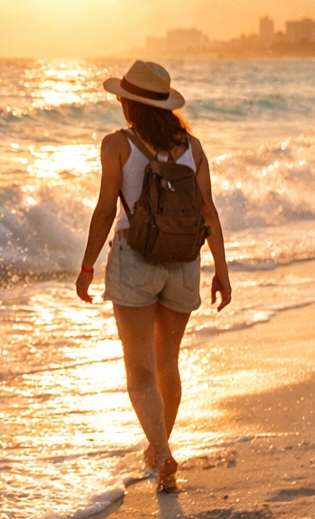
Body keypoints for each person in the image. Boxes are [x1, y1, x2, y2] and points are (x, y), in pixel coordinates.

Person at [74, 61, 232, 493]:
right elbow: (208, 213)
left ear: (127, 103)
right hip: (184, 261)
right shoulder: (193, 148)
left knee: (140, 369)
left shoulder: (117, 145)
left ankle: (161, 453)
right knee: (168, 363)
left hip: (135, 262)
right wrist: (221, 269)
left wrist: (87, 267)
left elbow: (106, 210)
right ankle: (159, 448)